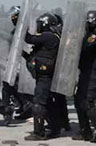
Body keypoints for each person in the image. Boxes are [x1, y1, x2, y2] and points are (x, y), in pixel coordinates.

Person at [73, 10, 96, 142]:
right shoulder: (91, 35)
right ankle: (85, 131)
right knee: (79, 101)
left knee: (87, 102)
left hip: (93, 74)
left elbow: (86, 47)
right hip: (86, 73)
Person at [23, 13, 61, 141]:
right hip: (44, 75)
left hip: (45, 76)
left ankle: (39, 133)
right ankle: (55, 128)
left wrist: (22, 26)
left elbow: (29, 39)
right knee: (48, 103)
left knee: (38, 104)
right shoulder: (52, 37)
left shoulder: (49, 36)